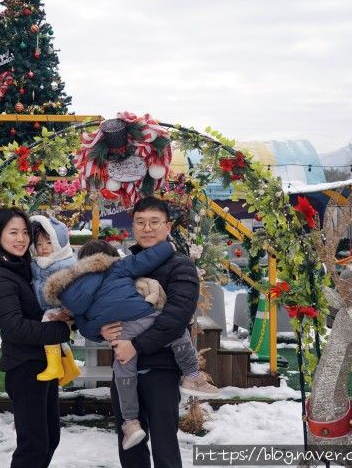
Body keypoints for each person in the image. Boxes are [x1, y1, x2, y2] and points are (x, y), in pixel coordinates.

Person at [44, 239, 217, 451]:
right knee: (177, 331)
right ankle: (192, 376)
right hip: (143, 317)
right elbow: (145, 260)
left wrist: (99, 332)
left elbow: (84, 327)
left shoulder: (70, 294)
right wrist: (169, 246)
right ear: (108, 259)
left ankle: (130, 423)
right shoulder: (116, 268)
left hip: (119, 333)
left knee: (123, 370)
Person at [102, 196, 203, 468]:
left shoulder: (181, 265)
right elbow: (105, 304)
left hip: (161, 369)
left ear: (168, 226)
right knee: (130, 444)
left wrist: (135, 345)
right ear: (133, 226)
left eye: (154, 222)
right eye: (141, 222)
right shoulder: (124, 266)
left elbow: (177, 317)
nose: (147, 228)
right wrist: (104, 328)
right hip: (124, 368)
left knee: (164, 446)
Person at [0, 206, 73, 468]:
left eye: (25, 232)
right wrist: (61, 330)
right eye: (13, 232)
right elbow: (15, 327)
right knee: (33, 447)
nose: (21, 239)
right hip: (25, 367)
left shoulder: (22, 266)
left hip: (42, 363)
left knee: (49, 439)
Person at [29, 214, 80, 384]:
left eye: (49, 243)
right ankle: (70, 365)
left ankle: (54, 366)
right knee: (59, 338)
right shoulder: (38, 262)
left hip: (59, 306)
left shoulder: (65, 263)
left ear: (59, 242)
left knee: (47, 325)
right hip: (47, 305)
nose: (43, 248)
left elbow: (72, 287)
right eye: (39, 244)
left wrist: (68, 309)